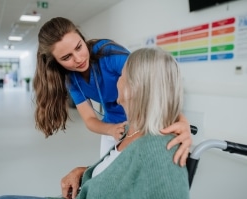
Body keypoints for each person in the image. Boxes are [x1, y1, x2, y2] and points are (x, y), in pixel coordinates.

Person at [0, 47, 190, 199]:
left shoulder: (160, 151)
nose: (116, 81)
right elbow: (117, 168)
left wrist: (183, 122)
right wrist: (85, 172)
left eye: (121, 76)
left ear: (133, 88)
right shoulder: (130, 130)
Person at [33, 17, 191, 161]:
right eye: (67, 57)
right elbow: (89, 119)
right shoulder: (71, 79)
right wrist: (111, 130)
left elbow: (154, 87)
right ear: (56, 62)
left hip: (143, 124)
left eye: (79, 47)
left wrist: (182, 122)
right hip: (113, 127)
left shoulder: (108, 54)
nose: (79, 59)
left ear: (82, 38)